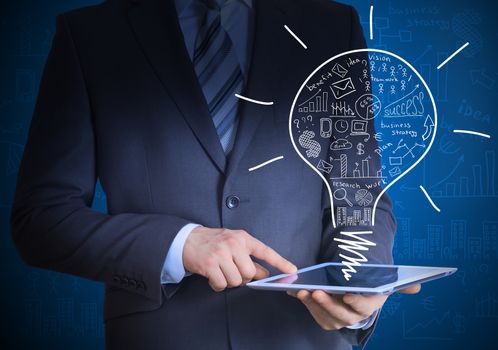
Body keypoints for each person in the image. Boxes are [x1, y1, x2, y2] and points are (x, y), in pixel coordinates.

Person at [10, 0, 419, 349]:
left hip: (304, 336)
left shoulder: (331, 26)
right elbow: (41, 219)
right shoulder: (91, 35)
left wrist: (360, 281)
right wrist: (179, 244)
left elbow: (357, 191)